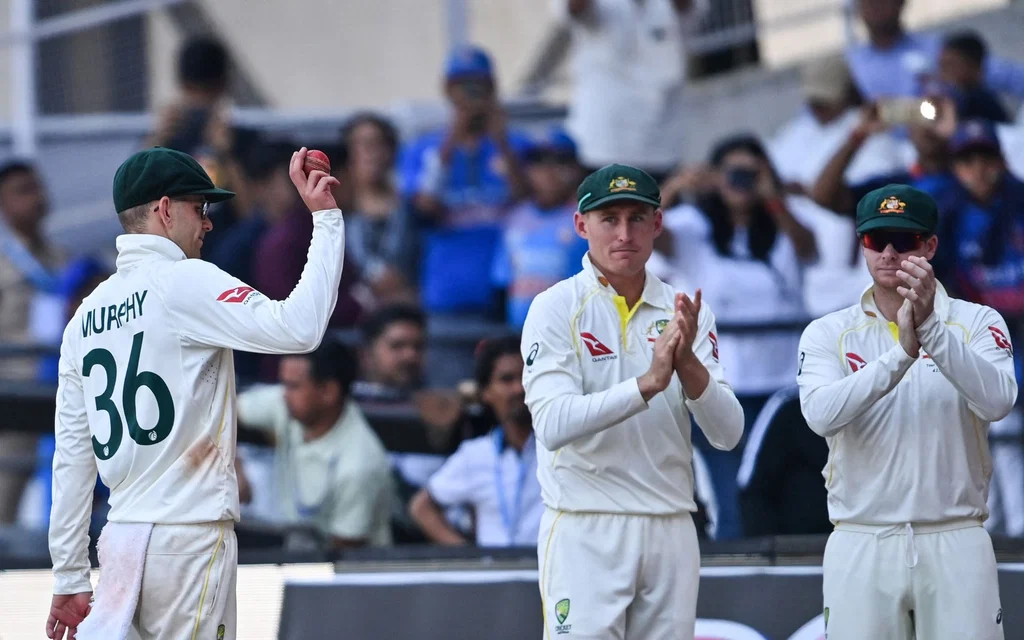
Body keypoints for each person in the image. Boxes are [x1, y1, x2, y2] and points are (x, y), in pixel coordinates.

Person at [46, 146, 346, 640]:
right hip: (188, 539)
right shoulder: (185, 281)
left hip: (120, 544)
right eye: (199, 207)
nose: (208, 223)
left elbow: (73, 457)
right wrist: (327, 220)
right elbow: (300, 328)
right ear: (165, 210)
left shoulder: (85, 317)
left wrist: (69, 574)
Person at [522, 164, 744, 638]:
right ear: (581, 225)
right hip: (585, 524)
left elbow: (727, 434)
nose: (624, 234)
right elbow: (553, 424)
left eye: (637, 218)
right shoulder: (555, 306)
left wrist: (687, 365)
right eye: (609, 219)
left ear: (657, 224)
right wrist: (647, 383)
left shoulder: (685, 310)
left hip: (671, 524)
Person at [797, 184, 1017, 639]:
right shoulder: (827, 332)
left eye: (904, 239)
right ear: (862, 245)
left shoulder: (979, 321)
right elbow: (820, 415)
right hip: (861, 536)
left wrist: (932, 330)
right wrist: (901, 355)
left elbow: (998, 402)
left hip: (957, 534)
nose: (890, 253)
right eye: (876, 240)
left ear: (930, 246)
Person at [659, 135, 817, 538]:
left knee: (783, 495)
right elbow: (650, 234)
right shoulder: (693, 224)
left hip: (782, 386)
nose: (741, 181)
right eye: (732, 172)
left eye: (751, 172)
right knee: (731, 501)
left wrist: (773, 199)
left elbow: (809, 249)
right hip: (718, 385)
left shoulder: (784, 218)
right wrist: (675, 188)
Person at [236, 339, 394, 548]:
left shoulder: (360, 464)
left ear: (328, 391)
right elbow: (220, 410)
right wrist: (232, 465)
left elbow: (344, 550)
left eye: (293, 386)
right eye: (284, 384)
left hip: (344, 561)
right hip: (292, 546)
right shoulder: (287, 405)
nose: (284, 394)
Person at [409, 336, 542, 546]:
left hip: (551, 565)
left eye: (526, 376)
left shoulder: (563, 446)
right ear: (485, 393)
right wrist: (467, 555)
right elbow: (422, 508)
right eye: (506, 379)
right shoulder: (475, 454)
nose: (519, 388)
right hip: (491, 566)